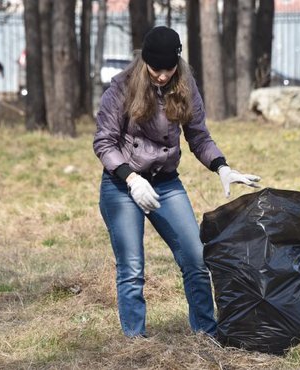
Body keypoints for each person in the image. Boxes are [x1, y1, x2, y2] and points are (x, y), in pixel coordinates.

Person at [93, 26, 260, 338]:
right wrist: (130, 178)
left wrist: (221, 166)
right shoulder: (121, 87)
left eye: (168, 69)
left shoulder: (184, 83)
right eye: (156, 69)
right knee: (131, 268)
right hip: (122, 184)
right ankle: (135, 340)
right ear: (145, 63)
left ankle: (206, 334)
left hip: (166, 183)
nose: (161, 76)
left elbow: (198, 135)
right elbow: (104, 143)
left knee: (196, 258)